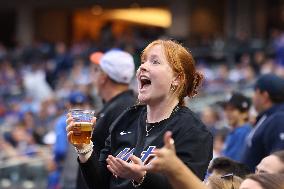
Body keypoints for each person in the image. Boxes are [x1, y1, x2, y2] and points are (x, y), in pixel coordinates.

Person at [67, 39, 213, 189]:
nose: (143, 66)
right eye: (143, 61)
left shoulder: (193, 131)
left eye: (155, 62)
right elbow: (100, 184)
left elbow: (188, 186)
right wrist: (84, 149)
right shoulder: (127, 118)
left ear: (177, 78)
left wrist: (142, 177)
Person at [76, 50, 137, 189]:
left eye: (97, 70)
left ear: (103, 77)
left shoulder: (122, 109)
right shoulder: (119, 105)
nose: (94, 76)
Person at [241, 74, 284, 171]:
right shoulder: (268, 117)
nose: (253, 97)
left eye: (255, 92)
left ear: (264, 96)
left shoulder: (279, 118)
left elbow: (278, 163)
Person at [219, 92, 252, 161]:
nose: (227, 114)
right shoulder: (236, 131)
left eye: (232, 110)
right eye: (226, 110)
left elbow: (233, 164)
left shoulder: (243, 132)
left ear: (244, 112)